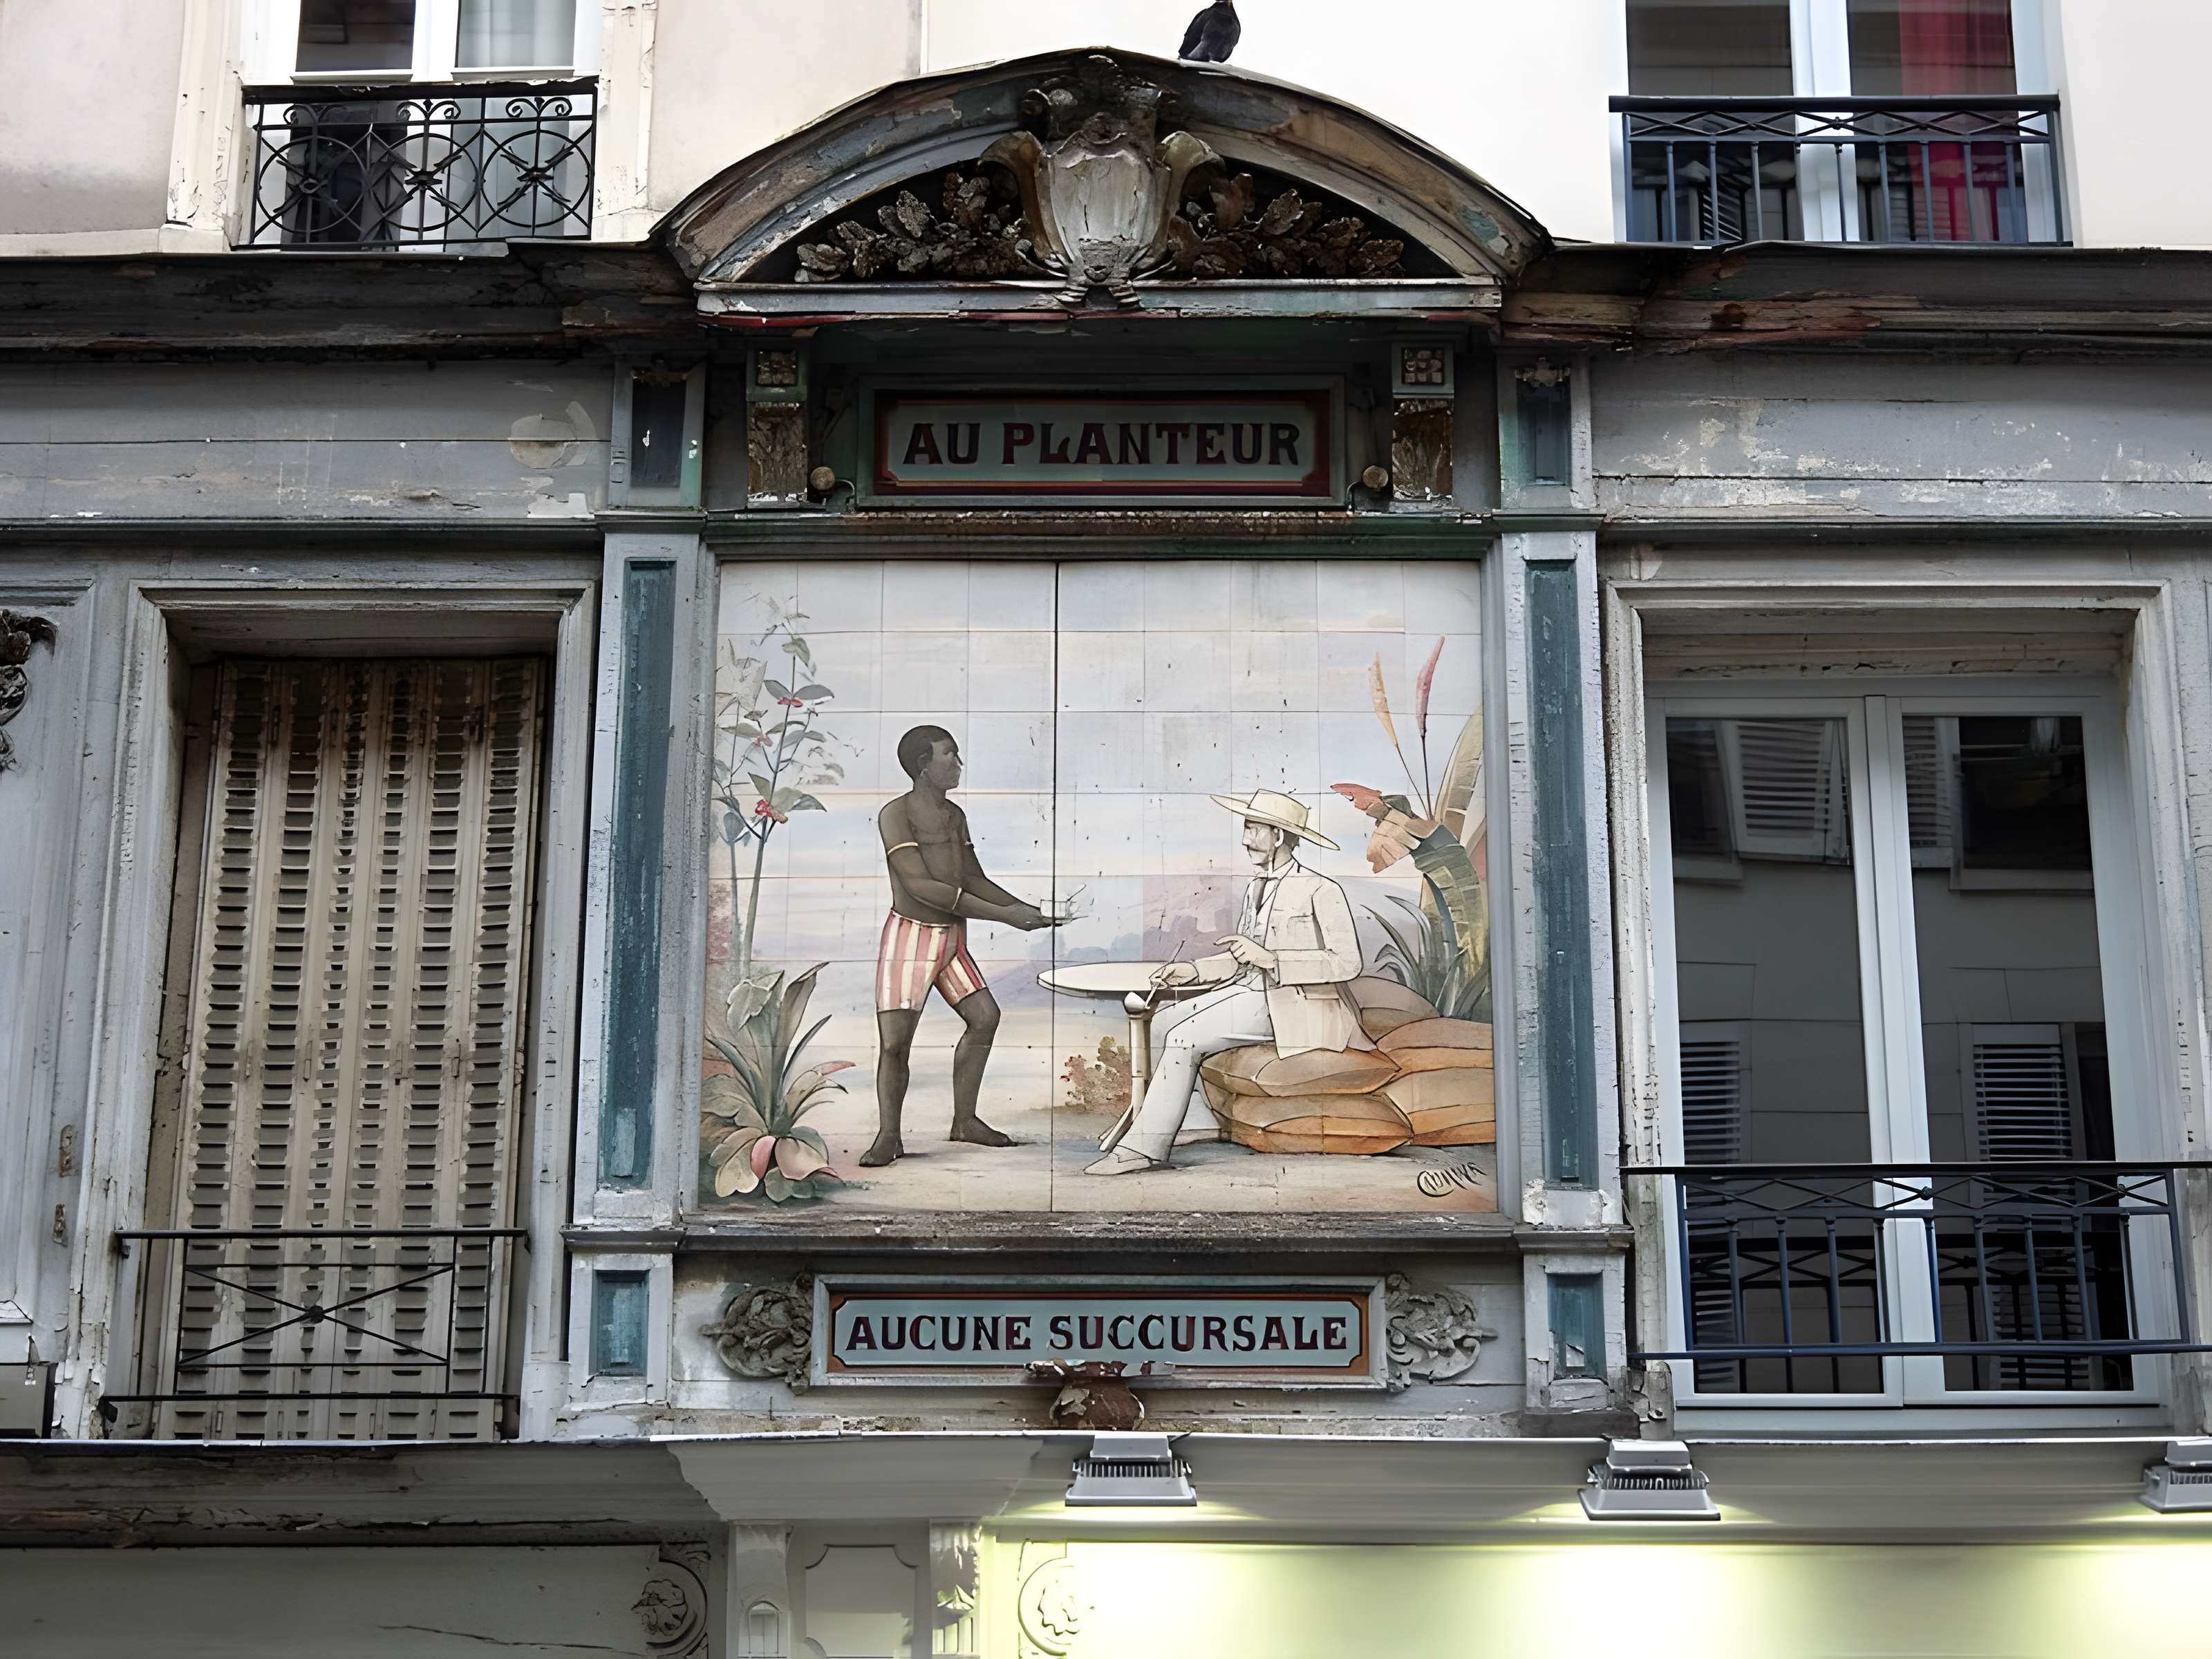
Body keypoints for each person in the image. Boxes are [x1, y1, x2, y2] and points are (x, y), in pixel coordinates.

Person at [1086, 789, 1369, 1176]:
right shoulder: (1256, 887)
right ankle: (1194, 1122)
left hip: (1296, 1005)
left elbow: (1347, 962)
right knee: (1165, 1021)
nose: (1246, 839)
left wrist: (1272, 960)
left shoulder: (1321, 889)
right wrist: (1194, 971)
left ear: (1280, 836)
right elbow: (1242, 956)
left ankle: (1143, 1150)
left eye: (1254, 829)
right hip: (1252, 993)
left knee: (1184, 1038)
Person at [865, 725, 1059, 1167]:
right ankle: (889, 1136)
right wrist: (1004, 915)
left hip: (952, 938)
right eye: (949, 756)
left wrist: (1023, 908)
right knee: (895, 1044)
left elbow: (971, 877)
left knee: (985, 1017)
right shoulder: (895, 814)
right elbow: (920, 887)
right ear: (922, 765)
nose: (957, 765)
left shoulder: (955, 817)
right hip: (911, 938)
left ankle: (965, 1121)